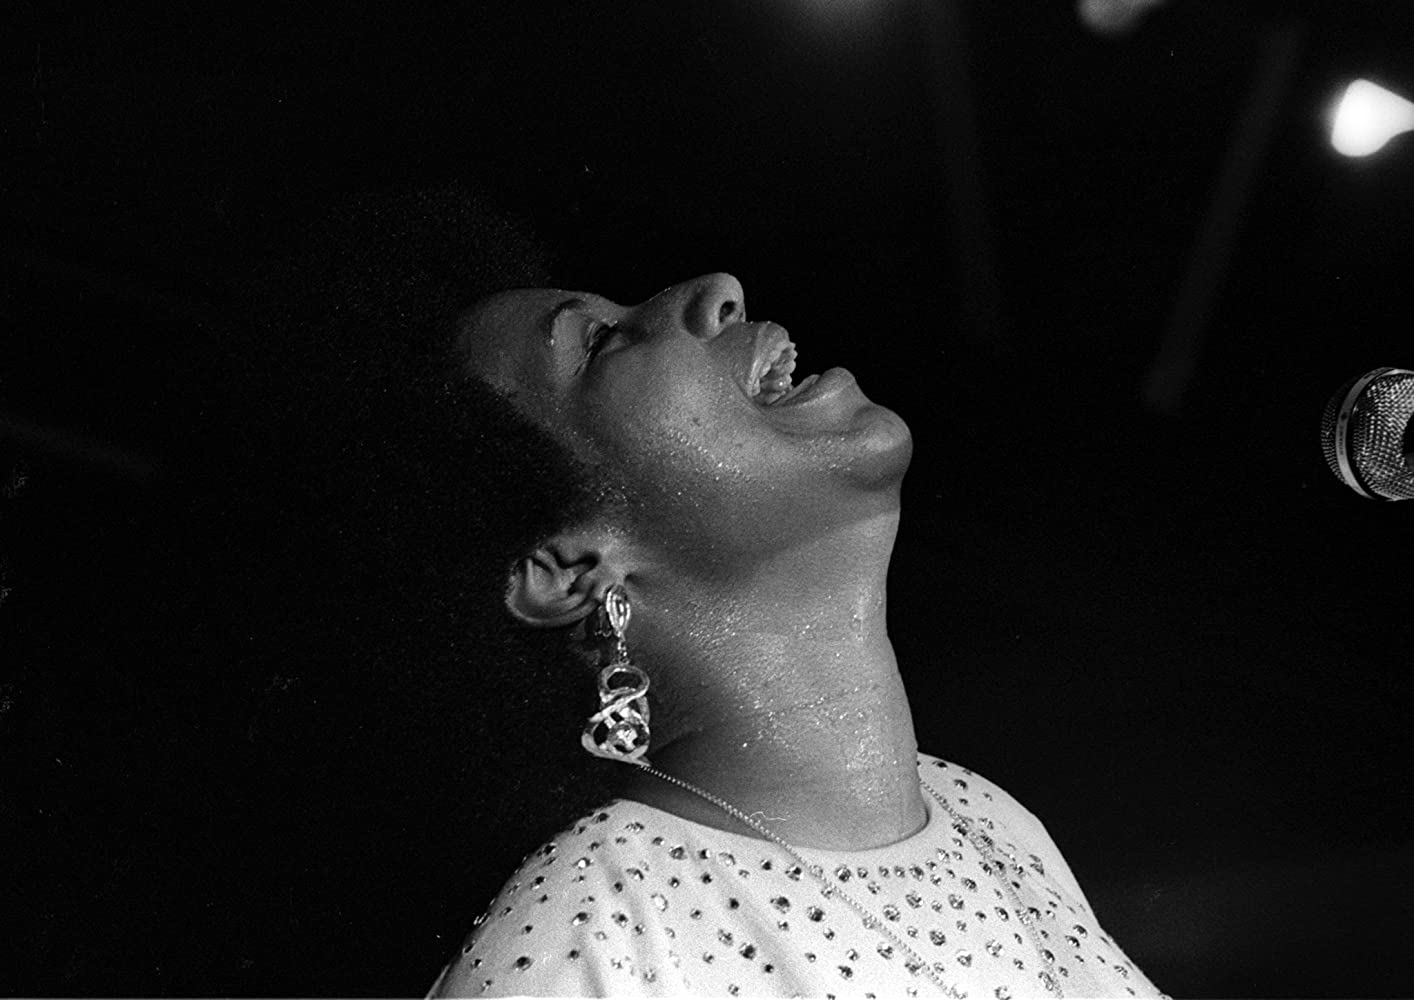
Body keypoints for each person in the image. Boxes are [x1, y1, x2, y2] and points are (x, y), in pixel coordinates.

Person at [416, 257, 1166, 996]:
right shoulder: (592, 946)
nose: (718, 290)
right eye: (601, 341)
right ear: (569, 569)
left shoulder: (991, 821)